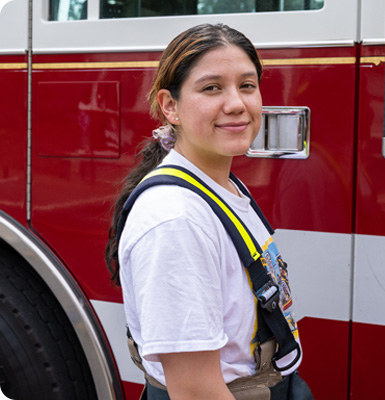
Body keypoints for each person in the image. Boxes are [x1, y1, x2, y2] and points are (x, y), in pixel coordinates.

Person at [105, 23, 312, 400]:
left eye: (247, 86)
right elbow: (196, 390)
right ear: (171, 106)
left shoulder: (221, 187)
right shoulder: (174, 219)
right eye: (212, 88)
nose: (236, 103)